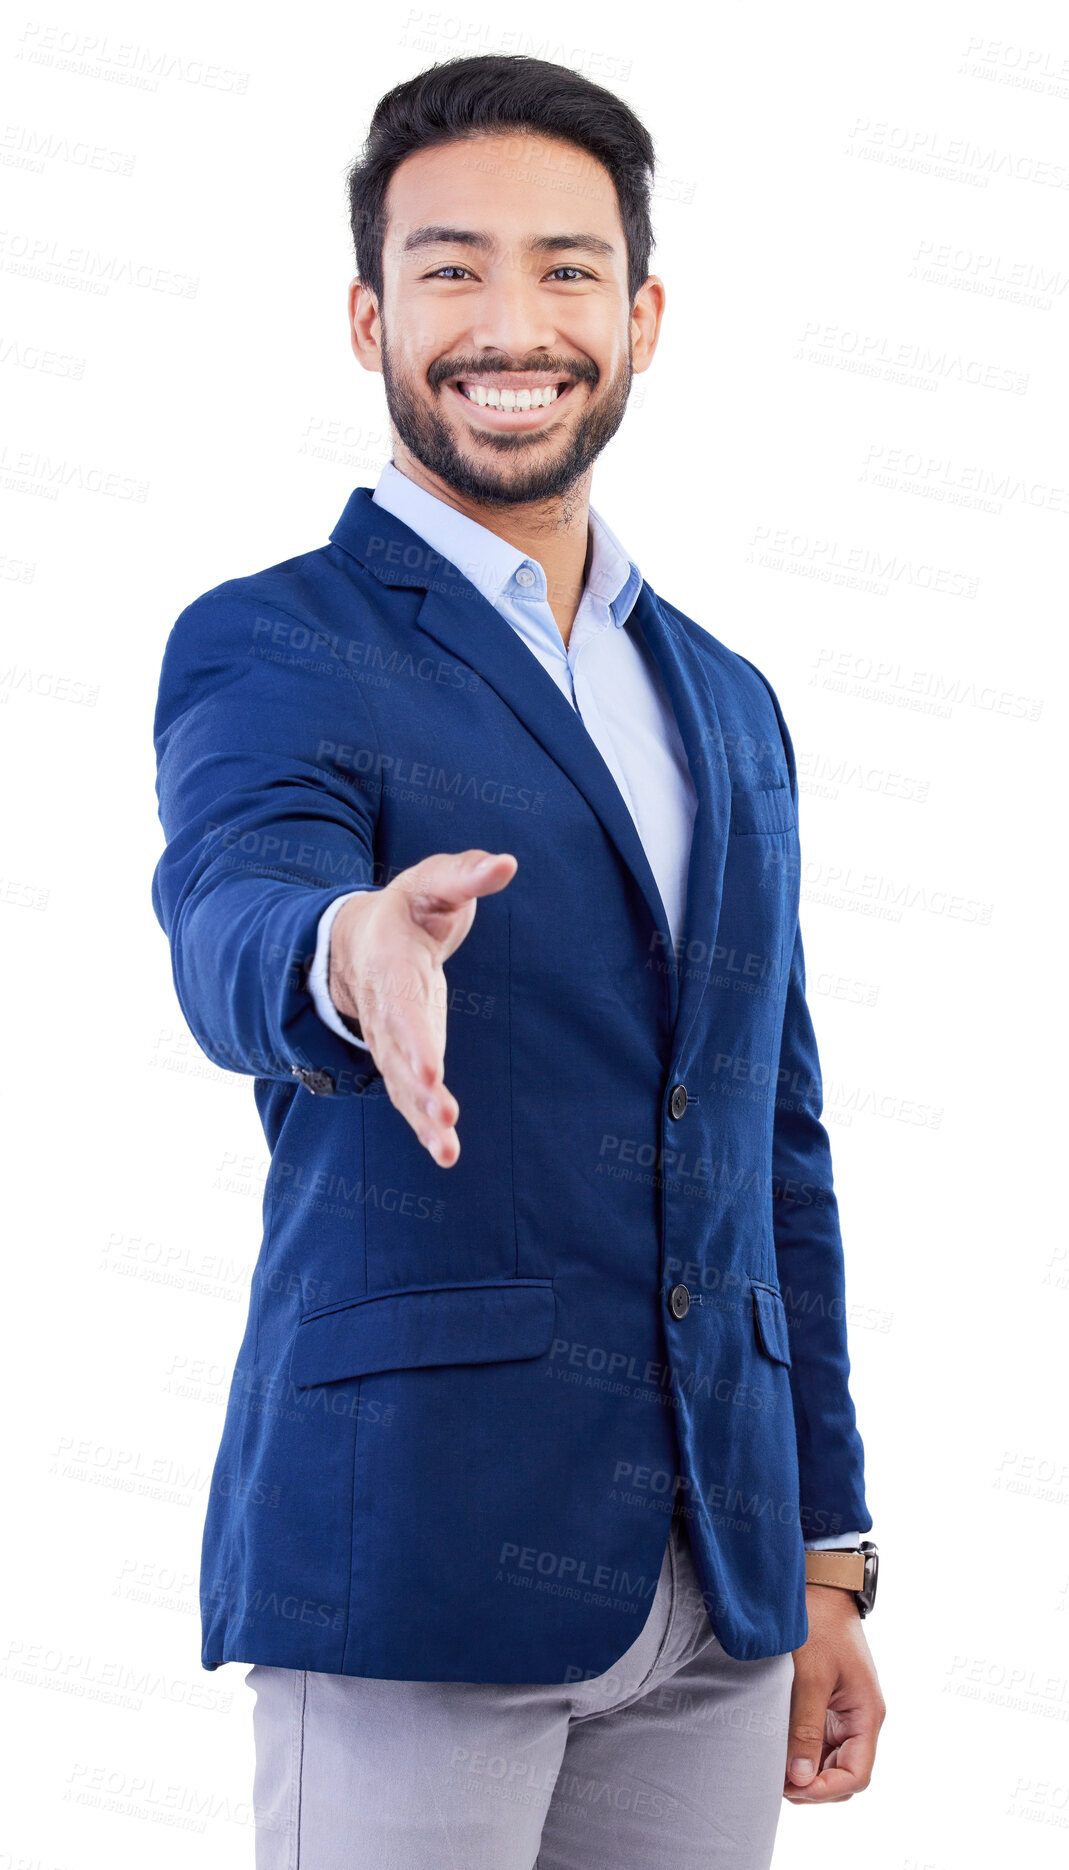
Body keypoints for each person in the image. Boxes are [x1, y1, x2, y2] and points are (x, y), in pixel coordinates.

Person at [151, 52, 885, 1870]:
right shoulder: (276, 641)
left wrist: (823, 1551)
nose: (510, 323)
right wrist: (345, 947)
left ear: (639, 317)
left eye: (565, 271)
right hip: (420, 1545)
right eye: (450, 267)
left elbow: (769, 1138)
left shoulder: (723, 697)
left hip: (715, 1589)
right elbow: (235, 898)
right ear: (366, 313)